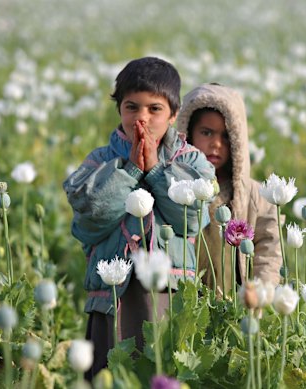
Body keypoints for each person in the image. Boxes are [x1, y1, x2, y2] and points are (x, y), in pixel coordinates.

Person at [63, 57, 215, 380]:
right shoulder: (100, 159)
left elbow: (192, 218)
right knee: (113, 373)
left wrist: (155, 171)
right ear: (119, 109)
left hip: (169, 293)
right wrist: (131, 170)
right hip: (113, 294)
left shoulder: (190, 160)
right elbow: (90, 217)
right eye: (132, 107)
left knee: (162, 372)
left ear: (173, 115)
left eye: (154, 109)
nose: (141, 118)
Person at [176, 83, 282, 294]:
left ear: (238, 140)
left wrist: (261, 292)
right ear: (187, 133)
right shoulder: (176, 189)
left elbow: (269, 248)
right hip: (187, 301)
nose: (216, 144)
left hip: (236, 302)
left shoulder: (256, 196)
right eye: (207, 133)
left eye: (226, 136)